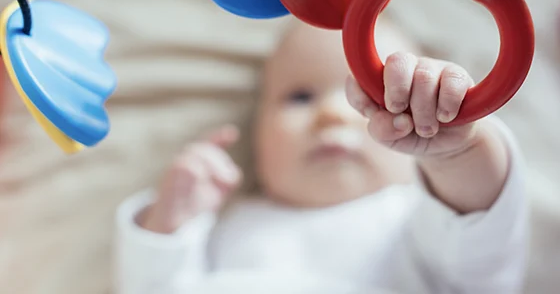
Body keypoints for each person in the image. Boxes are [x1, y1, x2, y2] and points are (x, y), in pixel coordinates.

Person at [114, 17, 528, 294]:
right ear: (257, 136)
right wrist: (167, 226)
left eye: (371, 95)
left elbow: (482, 248)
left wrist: (458, 150)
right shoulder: (225, 228)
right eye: (299, 96)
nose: (331, 113)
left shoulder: (411, 218)